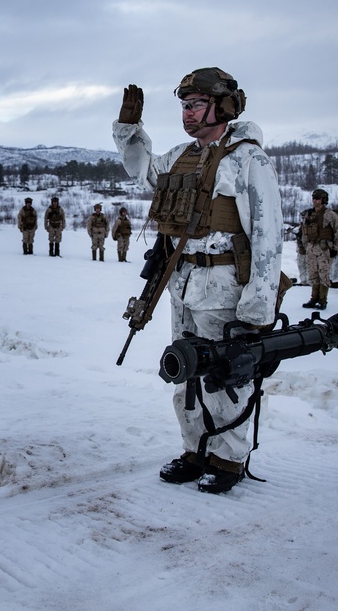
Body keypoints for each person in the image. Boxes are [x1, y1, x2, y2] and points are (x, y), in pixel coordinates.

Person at [113, 68, 283, 494]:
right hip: (183, 284)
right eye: (183, 106)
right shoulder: (181, 157)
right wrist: (130, 132)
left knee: (224, 378)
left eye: (195, 105)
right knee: (185, 372)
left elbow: (268, 236)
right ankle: (195, 450)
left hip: (226, 287)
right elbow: (146, 172)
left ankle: (229, 459)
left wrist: (258, 307)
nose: (187, 114)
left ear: (222, 106)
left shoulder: (248, 159)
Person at [300, 189, 338, 310]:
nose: (315, 201)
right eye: (313, 198)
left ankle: (323, 300)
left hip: (324, 248)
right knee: (313, 274)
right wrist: (305, 246)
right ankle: (314, 298)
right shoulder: (308, 214)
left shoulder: (330, 215)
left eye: (317, 198)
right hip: (312, 247)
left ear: (323, 200)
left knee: (323, 274)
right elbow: (304, 232)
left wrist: (336, 248)